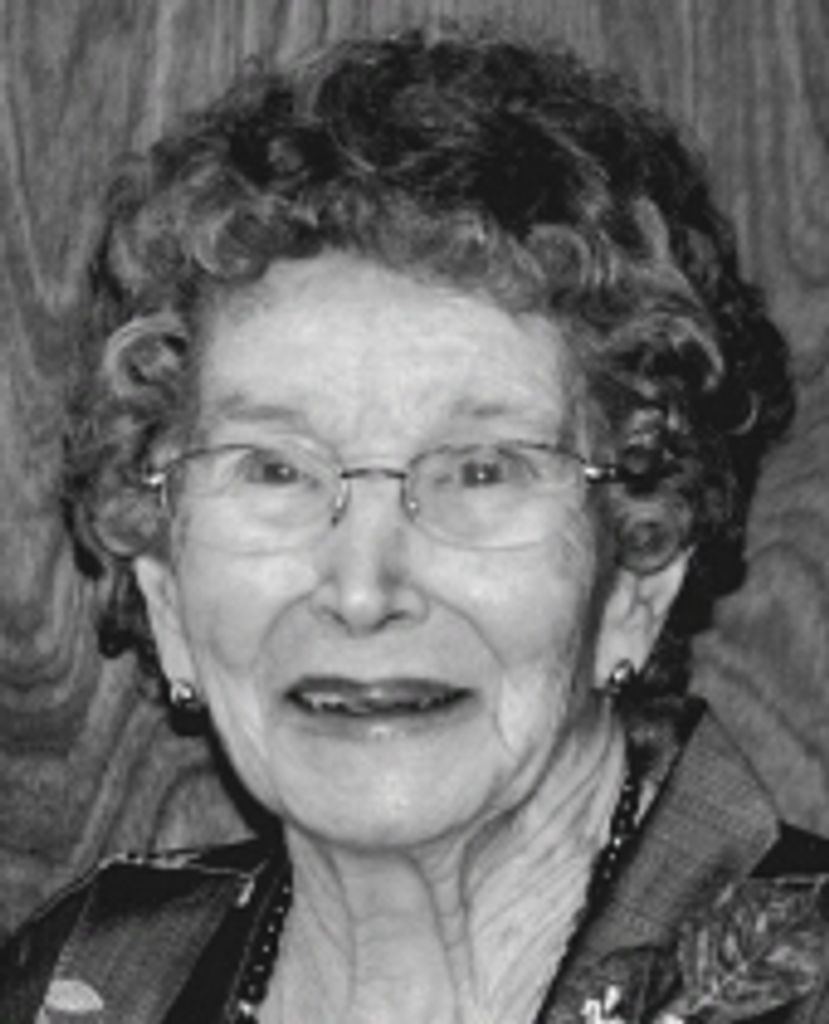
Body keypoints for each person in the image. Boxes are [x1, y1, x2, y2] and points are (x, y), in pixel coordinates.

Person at [1, 27, 827, 1024]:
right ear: (164, 587)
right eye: (274, 469)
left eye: (479, 471)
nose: (362, 587)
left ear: (635, 575)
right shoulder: (77, 985)